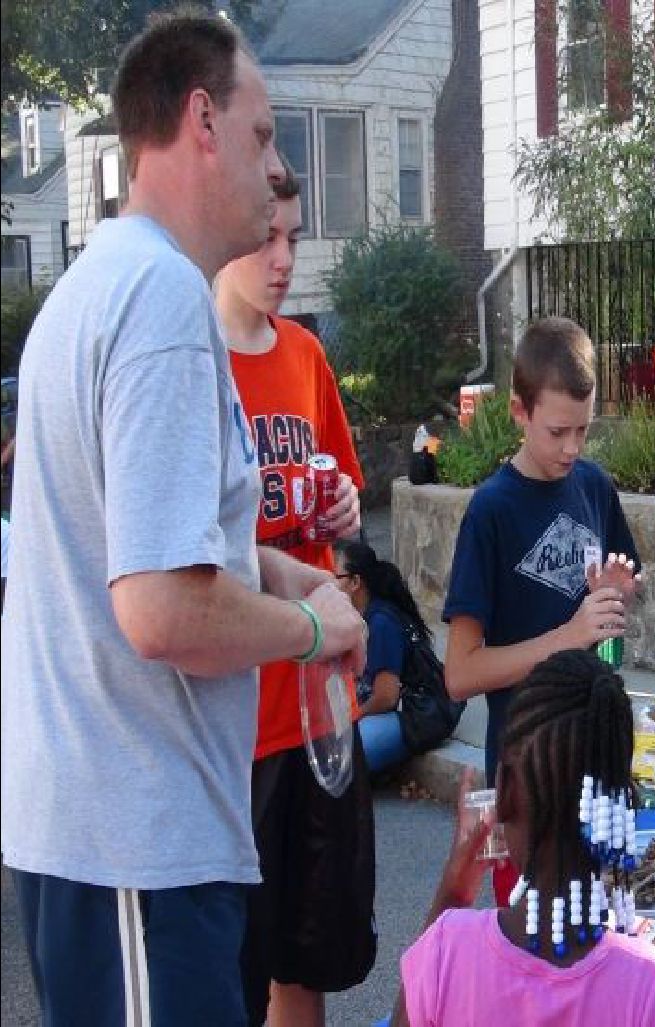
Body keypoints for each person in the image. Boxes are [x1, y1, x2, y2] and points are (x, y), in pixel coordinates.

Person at [0, 13, 366, 1026]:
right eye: (262, 135)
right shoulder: (161, 298)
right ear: (202, 121)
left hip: (110, 841)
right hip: (136, 842)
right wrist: (313, 627)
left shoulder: (101, 284)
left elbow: (131, 538)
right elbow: (159, 609)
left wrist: (274, 567)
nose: (276, 166)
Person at [215, 163, 373, 1027]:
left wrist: (346, 502)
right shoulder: (195, 362)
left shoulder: (306, 355)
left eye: (295, 240)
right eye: (268, 237)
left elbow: (339, 487)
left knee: (308, 963)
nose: (283, 259)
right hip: (240, 721)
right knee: (237, 970)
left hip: (318, 706)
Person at [443, 315, 643, 905]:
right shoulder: (491, 512)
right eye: (557, 431)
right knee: (533, 941)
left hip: (595, 765)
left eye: (583, 429)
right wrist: (570, 634)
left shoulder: (593, 485)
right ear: (519, 411)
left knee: (602, 931)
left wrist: (619, 590)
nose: (572, 448)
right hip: (527, 783)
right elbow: (460, 673)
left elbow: (623, 585)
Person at [392, 649, 655, 1027]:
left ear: (505, 794)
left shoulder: (447, 949)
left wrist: (453, 891)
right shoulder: (646, 983)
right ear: (618, 805)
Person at [334, 540, 434, 775]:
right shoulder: (362, 617)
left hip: (414, 715)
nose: (329, 585)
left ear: (355, 582)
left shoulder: (381, 623)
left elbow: (386, 697)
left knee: (343, 760)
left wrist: (349, 718)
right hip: (394, 712)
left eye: (334, 577)